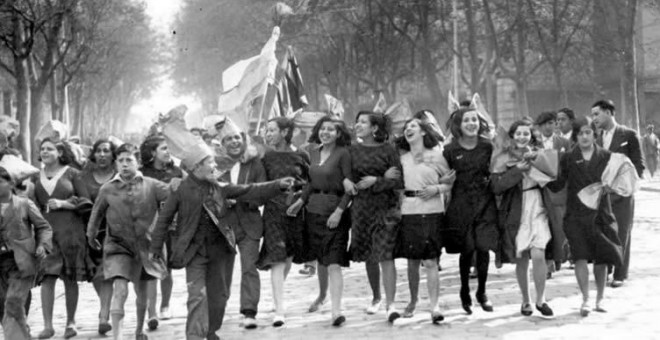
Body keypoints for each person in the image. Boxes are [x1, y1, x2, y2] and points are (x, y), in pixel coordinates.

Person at [149, 140, 294, 340]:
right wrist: (156, 249)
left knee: (220, 298)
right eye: (211, 163)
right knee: (197, 296)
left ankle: (211, 331)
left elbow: (250, 189)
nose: (215, 167)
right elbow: (164, 220)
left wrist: (278, 185)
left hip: (220, 251)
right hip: (194, 252)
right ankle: (194, 336)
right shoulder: (180, 189)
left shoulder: (219, 187)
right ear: (197, 166)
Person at [86, 143, 170, 340]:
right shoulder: (107, 189)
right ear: (116, 163)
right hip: (117, 246)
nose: (124, 165)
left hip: (147, 246)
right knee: (120, 288)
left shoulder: (152, 185)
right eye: (121, 160)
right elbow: (96, 214)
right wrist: (90, 236)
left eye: (129, 160)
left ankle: (139, 330)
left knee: (141, 291)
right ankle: (118, 336)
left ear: (138, 162)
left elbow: (174, 197)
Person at [547, 117, 623, 316]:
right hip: (576, 214)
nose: (584, 136)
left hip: (601, 214)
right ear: (575, 136)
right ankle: (586, 299)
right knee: (579, 256)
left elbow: (620, 183)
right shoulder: (568, 158)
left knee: (601, 259)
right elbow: (558, 184)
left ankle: (600, 298)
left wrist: (611, 188)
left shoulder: (607, 156)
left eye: (588, 132)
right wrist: (543, 175)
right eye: (580, 133)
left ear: (594, 135)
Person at [287, 116, 352, 326]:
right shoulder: (313, 152)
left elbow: (350, 188)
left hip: (335, 212)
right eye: (323, 129)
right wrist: (300, 202)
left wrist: (339, 212)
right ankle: (322, 295)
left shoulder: (343, 154)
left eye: (331, 129)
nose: (326, 132)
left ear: (339, 134)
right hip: (313, 211)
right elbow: (310, 183)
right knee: (322, 259)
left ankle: (336, 310)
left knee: (334, 262)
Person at [491, 119, 555, 317]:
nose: (522, 137)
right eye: (518, 133)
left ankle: (541, 298)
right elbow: (497, 186)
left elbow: (552, 178)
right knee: (522, 258)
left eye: (526, 133)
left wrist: (538, 167)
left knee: (539, 253)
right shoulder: (503, 157)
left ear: (532, 136)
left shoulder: (540, 153)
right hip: (516, 210)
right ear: (512, 136)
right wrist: (518, 170)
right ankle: (525, 300)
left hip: (539, 206)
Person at [33, 138, 95, 339]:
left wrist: (65, 203)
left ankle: (71, 322)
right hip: (46, 231)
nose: (44, 152)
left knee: (69, 278)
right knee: (47, 277)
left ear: (60, 153)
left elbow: (87, 201)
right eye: (42, 149)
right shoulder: (35, 176)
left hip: (70, 230)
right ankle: (48, 325)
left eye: (49, 149)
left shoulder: (73, 173)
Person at [345, 111, 403, 322]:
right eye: (357, 121)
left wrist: (376, 181)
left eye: (363, 122)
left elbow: (398, 181)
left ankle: (391, 304)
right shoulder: (352, 151)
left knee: (386, 254)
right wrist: (350, 182)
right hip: (362, 209)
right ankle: (376, 297)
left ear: (375, 128)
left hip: (386, 208)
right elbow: (350, 179)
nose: (358, 125)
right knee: (370, 255)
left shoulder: (389, 149)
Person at [394, 118, 453, 323]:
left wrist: (436, 189)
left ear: (423, 133)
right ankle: (412, 301)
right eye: (406, 128)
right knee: (412, 261)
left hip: (433, 211)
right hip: (409, 211)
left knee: (431, 260)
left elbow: (450, 182)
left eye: (413, 127)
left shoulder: (437, 156)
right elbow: (397, 185)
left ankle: (434, 306)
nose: (409, 129)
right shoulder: (402, 159)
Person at [442, 108, 499, 315]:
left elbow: (496, 169)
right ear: (459, 125)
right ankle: (465, 290)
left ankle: (482, 292)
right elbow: (442, 175)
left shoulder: (487, 146)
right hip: (461, 203)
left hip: (485, 201)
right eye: (466, 120)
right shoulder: (449, 149)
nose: (471, 123)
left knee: (483, 247)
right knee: (467, 248)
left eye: (474, 119)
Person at [258, 117, 310, 327]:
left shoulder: (301, 154)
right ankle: (280, 309)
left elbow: (310, 181)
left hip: (296, 211)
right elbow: (259, 184)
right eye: (266, 131)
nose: (268, 134)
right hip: (273, 211)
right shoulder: (266, 157)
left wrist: (300, 201)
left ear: (284, 131)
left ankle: (277, 295)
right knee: (277, 259)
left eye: (272, 130)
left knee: (288, 258)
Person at [216, 122, 265, 330]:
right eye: (229, 139)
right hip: (223, 226)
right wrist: (221, 201)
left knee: (249, 269)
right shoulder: (215, 165)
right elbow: (208, 191)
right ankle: (217, 310)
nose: (234, 142)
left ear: (243, 140)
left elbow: (262, 192)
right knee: (221, 271)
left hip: (249, 225)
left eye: (237, 137)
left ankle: (249, 311)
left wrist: (241, 200)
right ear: (222, 144)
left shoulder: (254, 164)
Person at [591, 100, 644, 288]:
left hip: (622, 195)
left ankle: (620, 273)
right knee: (604, 232)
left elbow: (639, 165)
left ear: (608, 112)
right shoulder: (596, 138)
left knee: (622, 232)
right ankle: (606, 270)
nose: (594, 118)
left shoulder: (628, 135)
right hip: (603, 194)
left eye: (597, 114)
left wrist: (625, 184)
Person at [0, 167, 52, 340]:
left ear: (11, 183)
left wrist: (42, 245)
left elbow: (43, 227)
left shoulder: (23, 204)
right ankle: (24, 335)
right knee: (5, 306)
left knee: (13, 302)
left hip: (20, 262)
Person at [139, 135, 184, 330]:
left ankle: (165, 304)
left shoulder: (175, 171)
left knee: (167, 269)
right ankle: (152, 311)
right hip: (149, 226)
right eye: (163, 148)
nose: (167, 152)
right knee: (151, 268)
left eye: (168, 148)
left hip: (172, 225)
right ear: (152, 153)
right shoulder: (140, 173)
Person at [78, 138, 117, 335]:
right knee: (96, 275)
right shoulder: (84, 177)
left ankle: (104, 315)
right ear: (93, 154)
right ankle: (105, 307)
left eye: (106, 151)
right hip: (91, 230)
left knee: (106, 273)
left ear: (113, 155)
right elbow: (84, 203)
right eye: (99, 151)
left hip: (116, 231)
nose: (102, 154)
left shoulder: (120, 175)